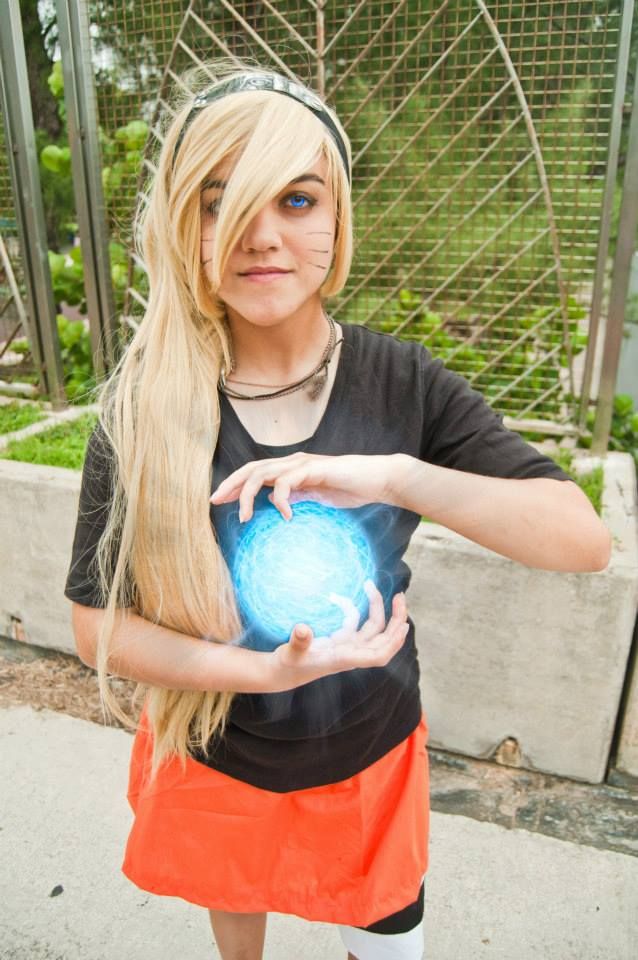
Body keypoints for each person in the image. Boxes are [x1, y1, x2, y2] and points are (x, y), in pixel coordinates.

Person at [64, 62, 611, 960]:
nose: (257, 233)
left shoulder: (403, 385)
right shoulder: (144, 408)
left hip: (369, 750)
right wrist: (259, 676)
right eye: (218, 201)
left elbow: (582, 542)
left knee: (386, 935)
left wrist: (400, 476)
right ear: (182, 226)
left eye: (297, 200)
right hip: (214, 750)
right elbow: (95, 626)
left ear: (337, 219)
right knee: (236, 920)